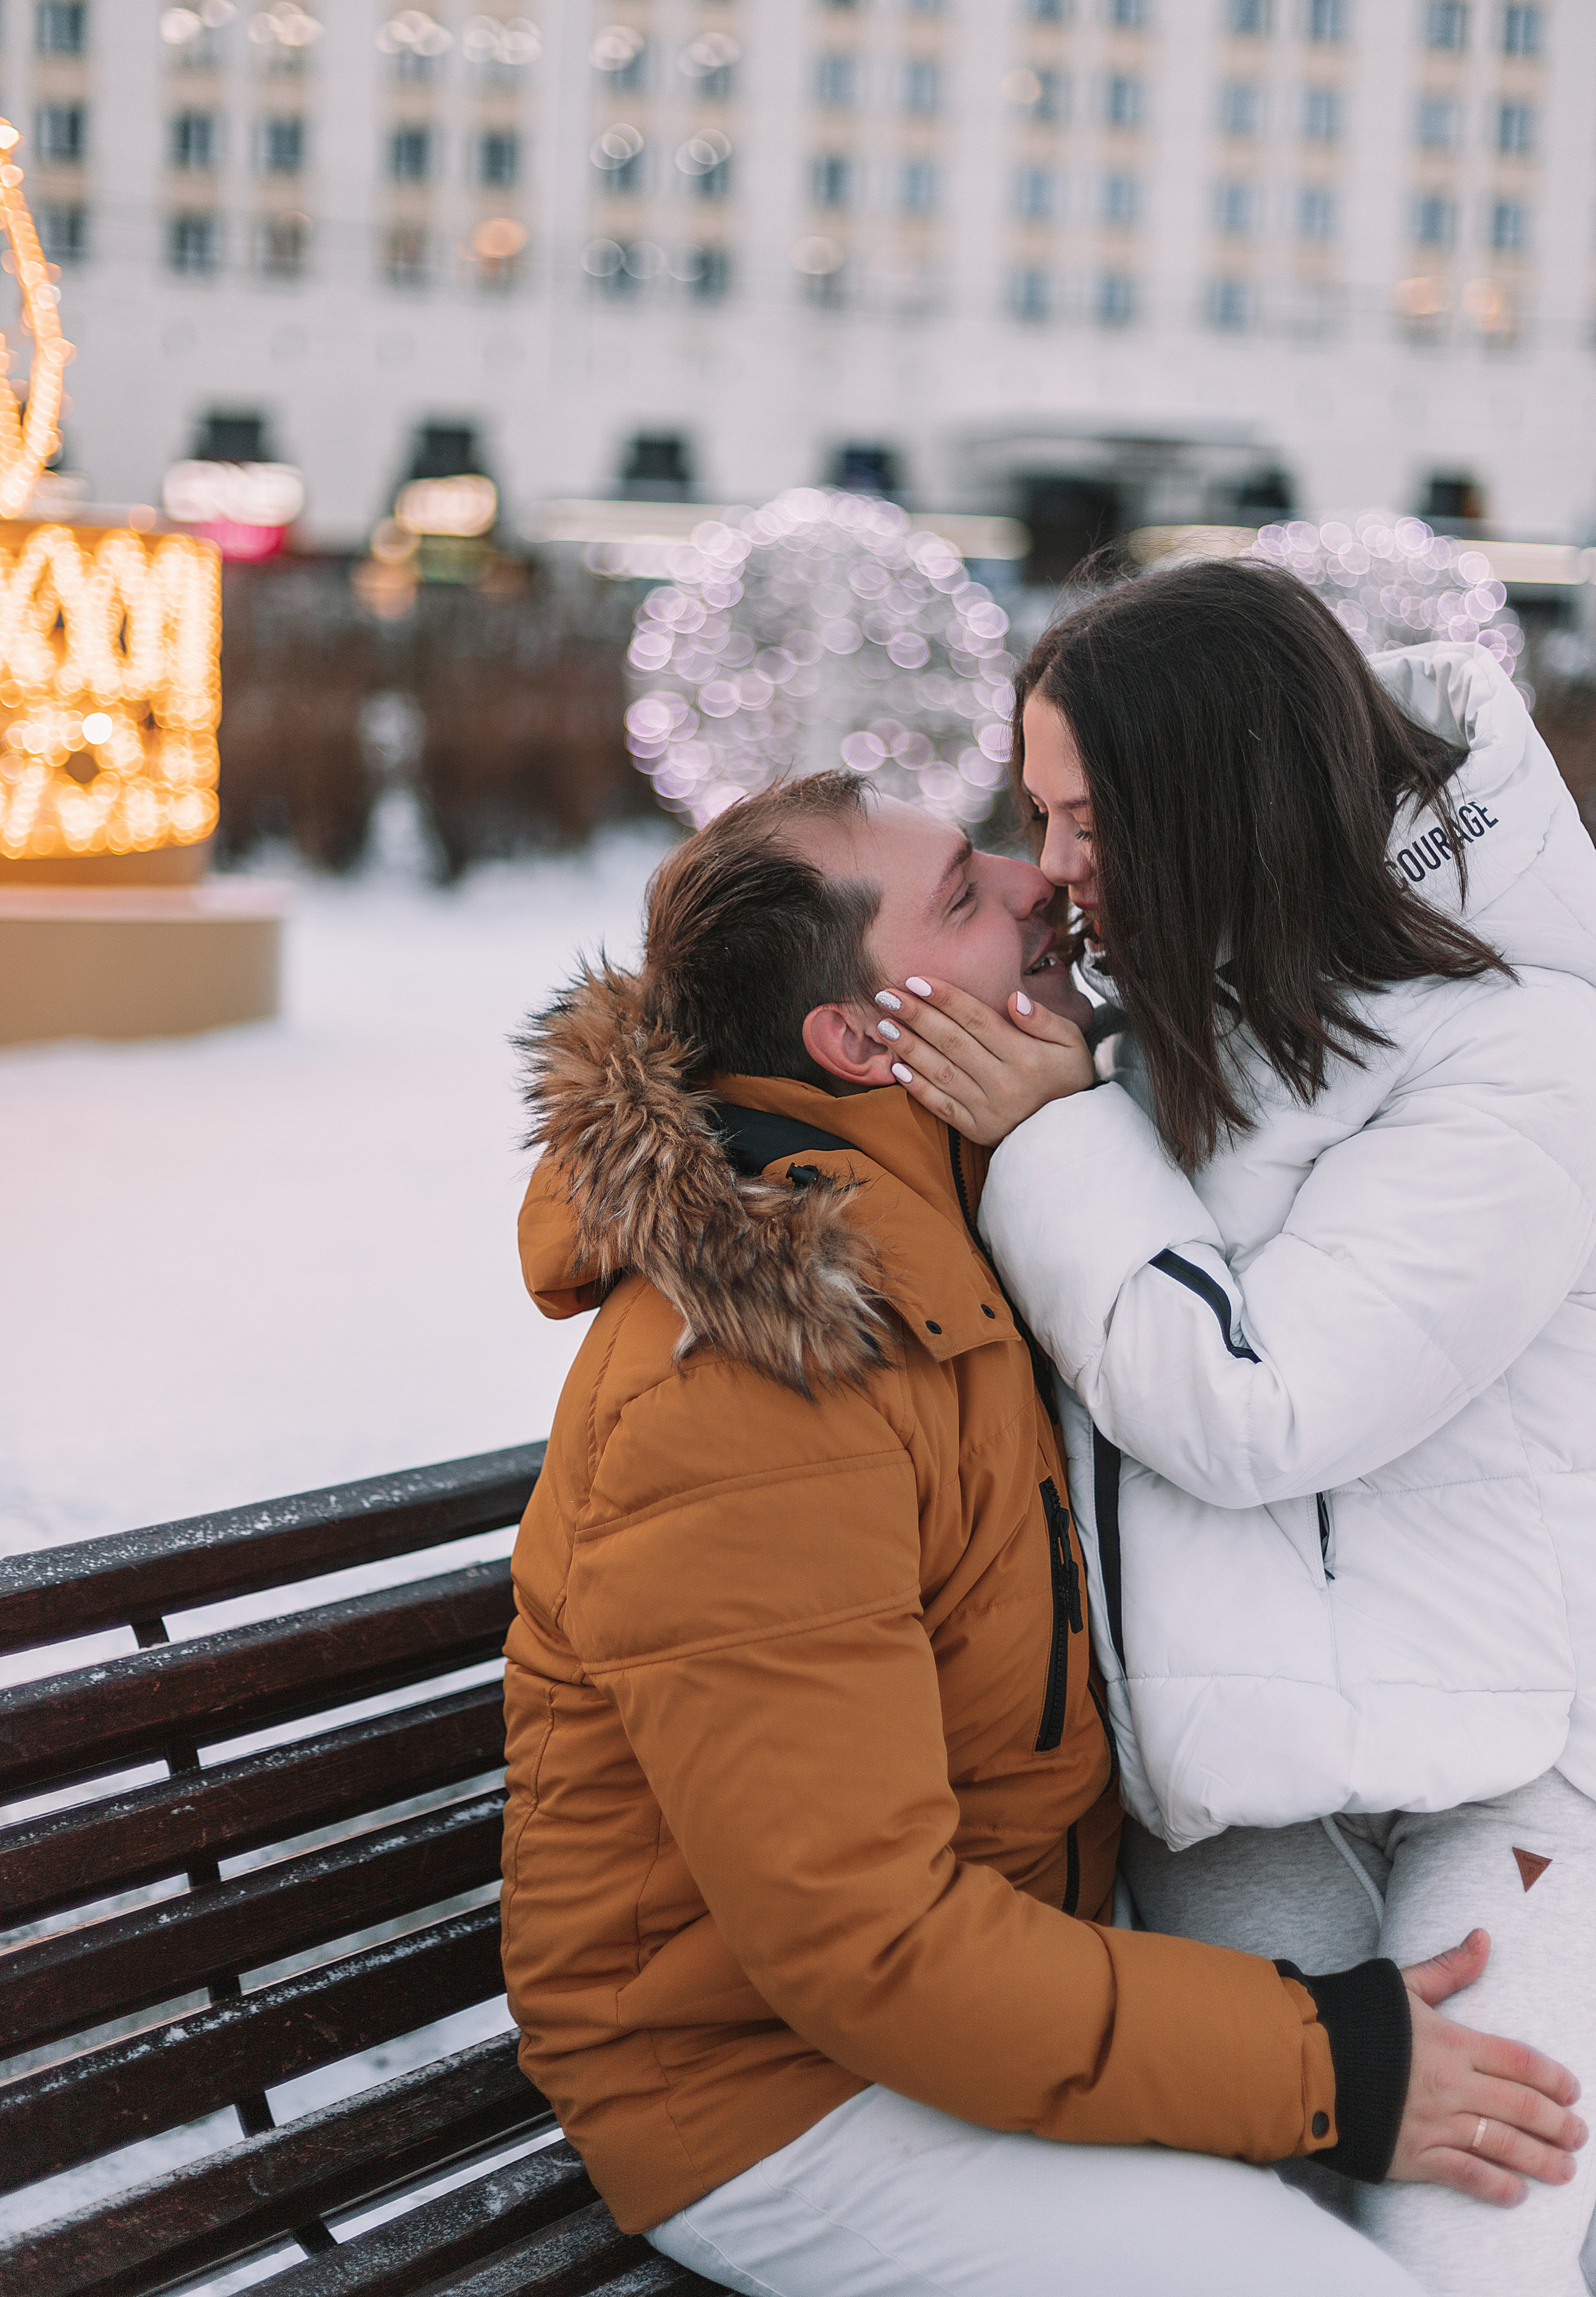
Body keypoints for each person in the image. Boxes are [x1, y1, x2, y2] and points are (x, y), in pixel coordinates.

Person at [499, 768, 1584, 2297]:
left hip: (975, 2004)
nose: (1033, 883)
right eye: (963, 892)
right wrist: (1330, 2067)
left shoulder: (945, 1216)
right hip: (773, 2097)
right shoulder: (750, 1387)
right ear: (864, 1041)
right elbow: (865, 1949)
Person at [867, 564, 1596, 2294]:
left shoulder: (1524, 1056)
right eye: (1034, 818)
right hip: (1237, 1791)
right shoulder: (1166, 1006)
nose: (1053, 868)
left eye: (1087, 818)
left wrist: (1053, 1142)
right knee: (1258, 2248)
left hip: (1501, 1771)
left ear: (1216, 796)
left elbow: (1262, 1409)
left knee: (1462, 2243)